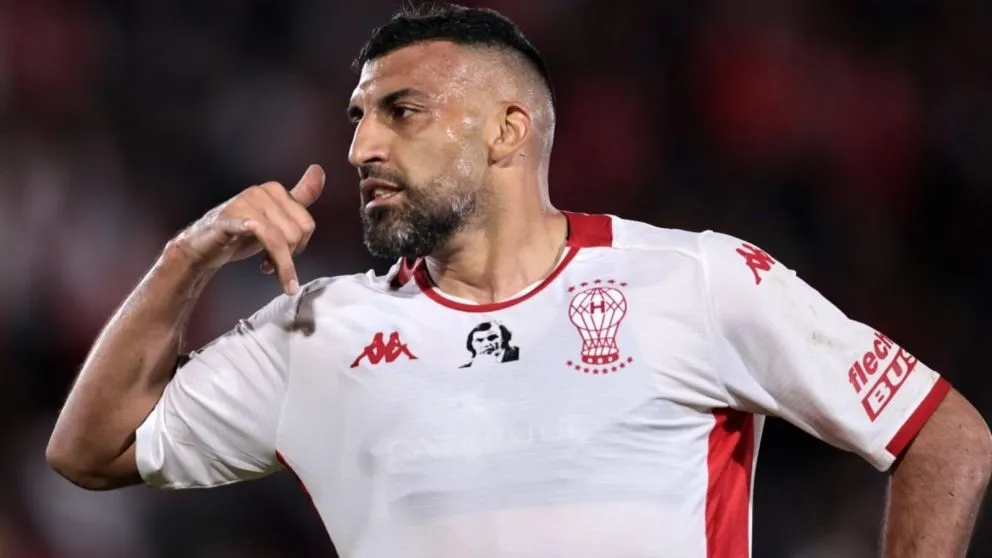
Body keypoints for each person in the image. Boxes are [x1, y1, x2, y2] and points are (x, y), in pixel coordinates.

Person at [46, 4, 990, 558]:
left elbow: (943, 435)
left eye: (402, 112)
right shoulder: (317, 333)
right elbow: (90, 450)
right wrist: (187, 257)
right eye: (357, 117)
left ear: (506, 130)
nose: (362, 146)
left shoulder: (695, 281)